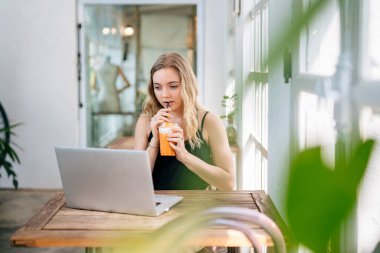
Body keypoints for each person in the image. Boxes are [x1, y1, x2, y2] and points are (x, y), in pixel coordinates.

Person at [134, 52, 235, 191]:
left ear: (187, 85)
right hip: (156, 206)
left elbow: (228, 183)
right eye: (158, 87)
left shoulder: (209, 121)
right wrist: (154, 142)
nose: (164, 95)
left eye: (173, 86)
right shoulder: (146, 121)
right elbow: (135, 181)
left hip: (197, 208)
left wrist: (185, 156)